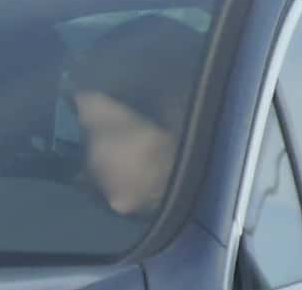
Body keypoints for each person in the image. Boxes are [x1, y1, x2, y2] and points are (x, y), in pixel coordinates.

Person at [61, 13, 207, 221]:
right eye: (88, 134)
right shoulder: (67, 221)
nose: (96, 158)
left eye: (118, 133)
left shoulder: (228, 233)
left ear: (186, 129)